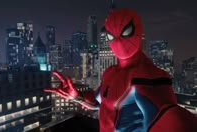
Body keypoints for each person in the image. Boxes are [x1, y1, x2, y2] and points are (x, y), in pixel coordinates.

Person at [44, 8, 197, 132]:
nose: (117, 41)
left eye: (125, 32)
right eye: (111, 36)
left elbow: (167, 120)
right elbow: (99, 103)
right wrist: (77, 96)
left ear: (137, 30)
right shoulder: (110, 73)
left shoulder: (150, 76)